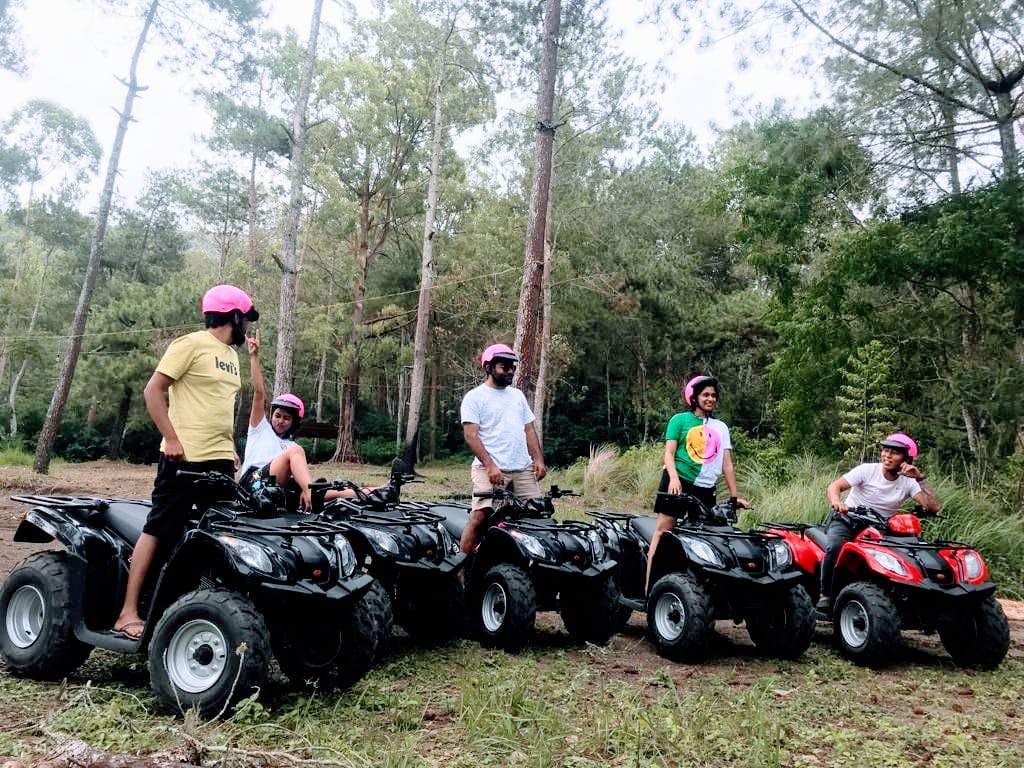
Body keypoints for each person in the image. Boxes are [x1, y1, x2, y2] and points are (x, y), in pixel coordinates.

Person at [112, 284, 258, 640]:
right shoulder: (190, 344)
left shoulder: (231, 356)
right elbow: (153, 391)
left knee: (219, 535)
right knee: (160, 527)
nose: (248, 329)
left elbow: (219, 406)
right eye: (246, 320)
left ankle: (203, 607)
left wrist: (230, 447)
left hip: (220, 460)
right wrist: (172, 438)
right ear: (234, 317)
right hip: (183, 457)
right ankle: (127, 611)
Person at [239, 331, 369, 509]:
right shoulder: (260, 429)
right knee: (299, 462)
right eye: (278, 415)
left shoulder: (290, 447)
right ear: (271, 415)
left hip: (275, 489)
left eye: (286, 418)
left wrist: (306, 488)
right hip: (251, 484)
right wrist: (254, 356)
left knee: (326, 491)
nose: (280, 421)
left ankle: (378, 491)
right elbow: (259, 393)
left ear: (293, 422)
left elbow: (297, 474)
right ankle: (309, 492)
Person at [645, 375, 750, 590]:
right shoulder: (679, 420)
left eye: (713, 395)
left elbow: (727, 465)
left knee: (704, 535)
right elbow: (668, 454)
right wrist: (674, 478)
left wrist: (733, 497)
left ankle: (695, 586)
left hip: (705, 488)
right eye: (705, 395)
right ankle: (649, 586)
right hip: (678, 481)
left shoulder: (721, 427)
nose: (710, 399)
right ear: (694, 397)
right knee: (663, 531)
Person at [817, 432, 941, 611]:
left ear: (907, 459)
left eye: (895, 453)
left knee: (905, 555)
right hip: (848, 520)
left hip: (880, 527)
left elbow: (933, 507)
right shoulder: (868, 470)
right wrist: (837, 502)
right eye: (885, 450)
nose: (887, 455)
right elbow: (834, 486)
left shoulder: (909, 482)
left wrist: (920, 479)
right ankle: (825, 594)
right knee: (834, 547)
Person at [459, 343, 546, 554]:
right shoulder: (475, 397)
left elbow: (529, 430)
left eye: (512, 367)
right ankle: (461, 563)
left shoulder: (517, 396)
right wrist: (490, 466)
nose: (509, 371)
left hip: (522, 469)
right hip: (489, 469)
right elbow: (471, 436)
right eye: (503, 366)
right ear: (488, 368)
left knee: (537, 514)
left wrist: (539, 460)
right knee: (481, 515)